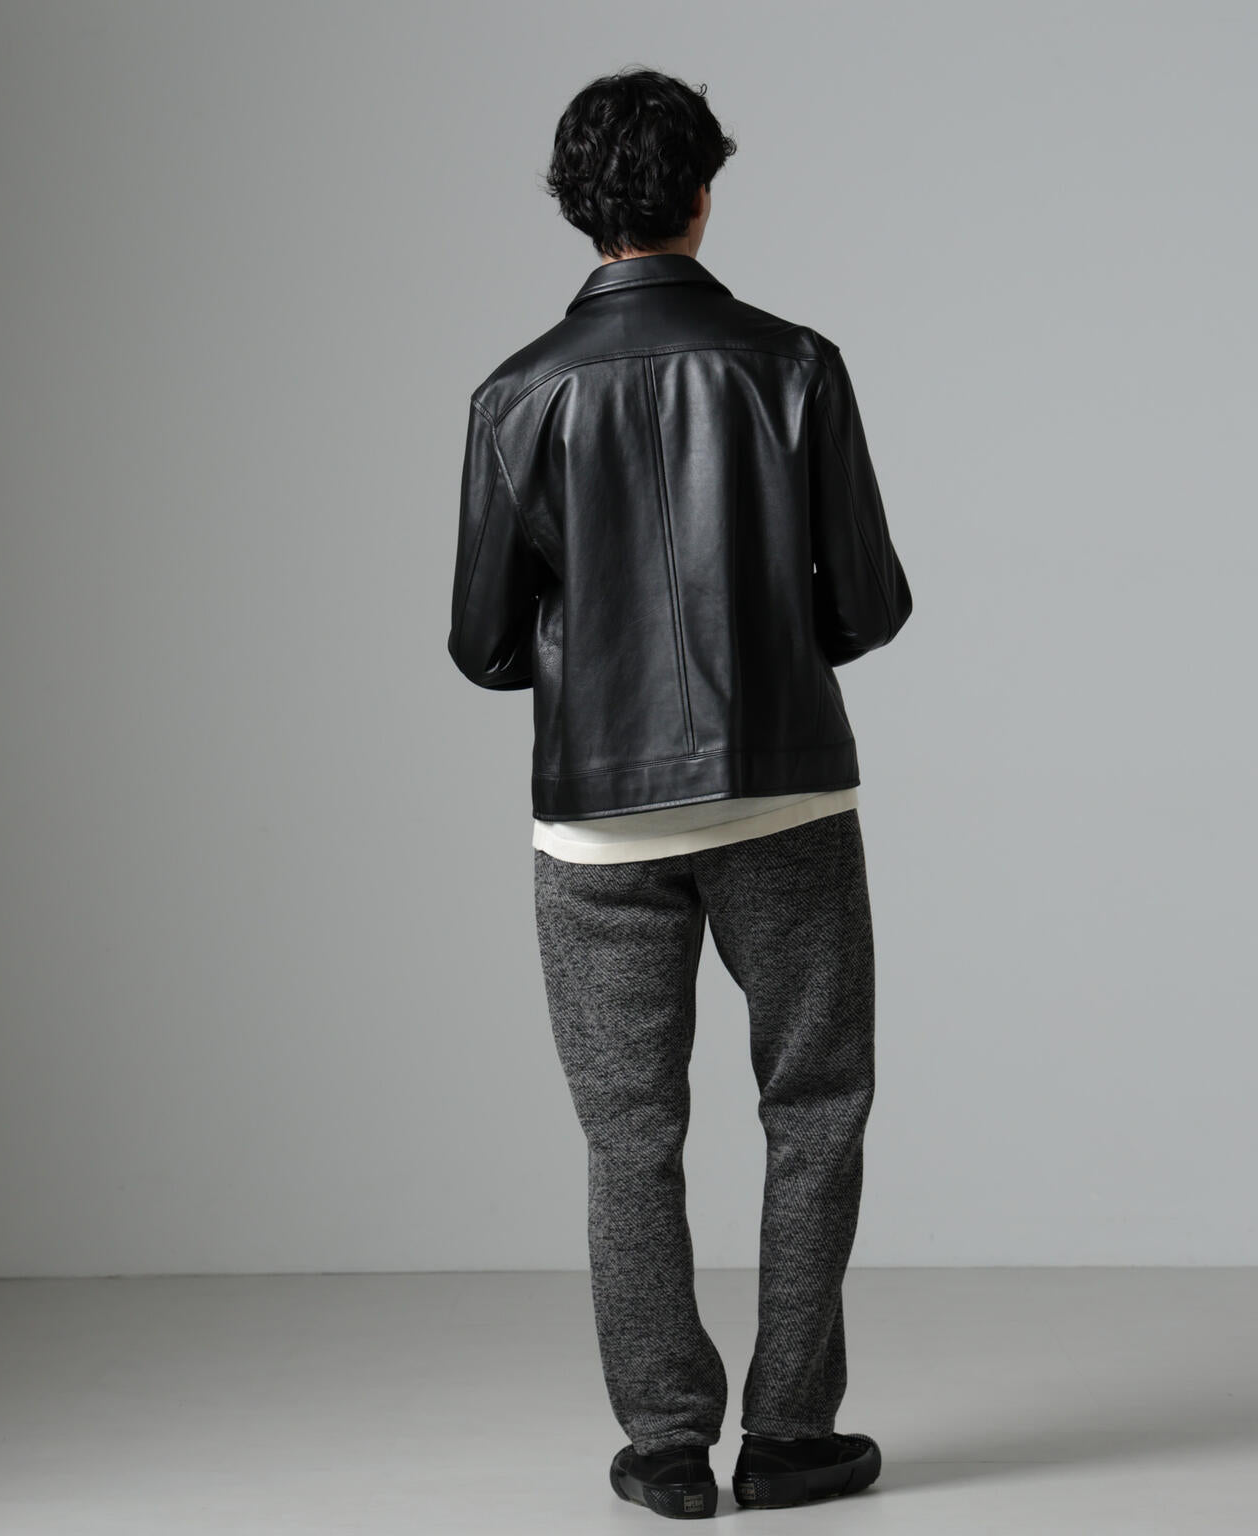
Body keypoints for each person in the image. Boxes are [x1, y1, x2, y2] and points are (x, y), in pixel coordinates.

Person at [447, 64, 912, 1520]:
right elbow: (872, 606)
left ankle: (663, 1450)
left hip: (594, 823)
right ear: (705, 195)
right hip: (784, 800)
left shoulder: (516, 394)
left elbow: (480, 645)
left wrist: (589, 650)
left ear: (577, 210)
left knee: (629, 1137)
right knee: (816, 1107)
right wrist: (768, 640)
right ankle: (790, 1438)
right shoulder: (795, 364)